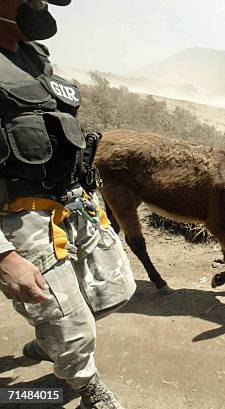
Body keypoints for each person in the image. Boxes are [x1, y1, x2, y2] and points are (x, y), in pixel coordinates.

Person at [0, 1, 136, 407]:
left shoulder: (33, 57)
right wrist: (3, 256)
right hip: (22, 220)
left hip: (75, 207)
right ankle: (86, 388)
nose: (40, 7)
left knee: (115, 292)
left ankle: (51, 344)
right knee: (72, 326)